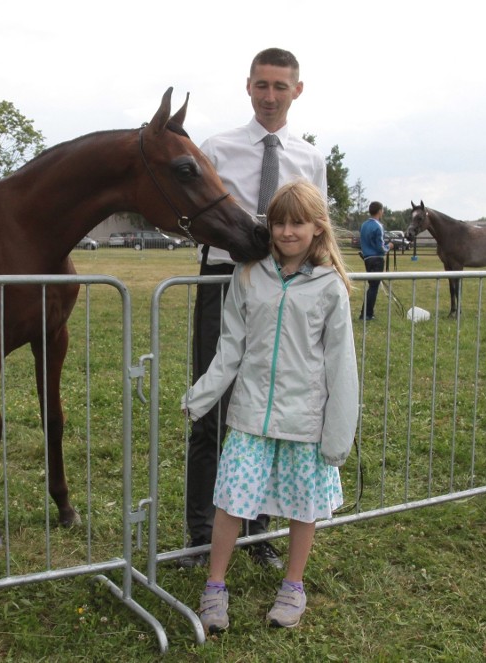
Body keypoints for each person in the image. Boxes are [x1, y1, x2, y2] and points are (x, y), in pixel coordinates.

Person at [181, 179, 359, 632]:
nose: (286, 231)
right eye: (279, 222)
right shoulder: (248, 275)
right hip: (250, 415)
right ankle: (215, 586)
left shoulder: (329, 288)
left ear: (318, 227)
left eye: (297, 222)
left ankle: (293, 586)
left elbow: (341, 366)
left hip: (305, 420)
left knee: (303, 507)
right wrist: (201, 396)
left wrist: (337, 435)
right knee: (230, 501)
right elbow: (230, 346)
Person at [180, 47, 328, 569]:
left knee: (268, 414)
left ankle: (256, 531)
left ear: (297, 90)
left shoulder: (310, 158)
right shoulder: (216, 149)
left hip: (283, 290)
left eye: (280, 86)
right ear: (248, 87)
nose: (270, 96)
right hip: (224, 282)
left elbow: (318, 229)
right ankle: (201, 533)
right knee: (212, 409)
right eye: (261, 85)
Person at [357, 201, 391, 321]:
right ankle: (367, 314)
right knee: (373, 287)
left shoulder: (364, 225)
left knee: (372, 286)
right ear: (380, 211)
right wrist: (389, 247)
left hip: (367, 258)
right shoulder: (378, 226)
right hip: (377, 259)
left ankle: (366, 312)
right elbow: (380, 247)